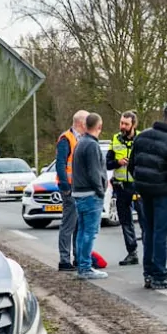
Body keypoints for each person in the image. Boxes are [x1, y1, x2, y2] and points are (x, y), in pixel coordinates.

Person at [129, 101, 167, 290]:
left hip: (145, 193)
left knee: (149, 232)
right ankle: (160, 274)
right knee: (161, 235)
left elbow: (132, 166)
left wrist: (142, 183)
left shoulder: (142, 137)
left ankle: (148, 273)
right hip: (165, 195)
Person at [70, 113, 109, 280]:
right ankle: (85, 267)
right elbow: (95, 172)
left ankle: (81, 263)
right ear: (99, 127)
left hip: (79, 193)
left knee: (82, 231)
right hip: (90, 195)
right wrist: (101, 190)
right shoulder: (92, 146)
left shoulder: (80, 143)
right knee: (89, 232)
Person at [53, 109, 88, 271]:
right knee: (68, 224)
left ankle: (77, 257)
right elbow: (60, 163)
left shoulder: (80, 138)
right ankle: (64, 260)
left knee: (78, 225)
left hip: (79, 187)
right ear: (81, 123)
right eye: (87, 122)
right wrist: (65, 187)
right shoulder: (66, 139)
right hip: (70, 188)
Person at [106, 111, 141, 266]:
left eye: (126, 124)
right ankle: (132, 252)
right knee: (125, 221)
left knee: (145, 220)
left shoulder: (141, 139)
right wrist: (117, 162)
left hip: (137, 186)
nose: (123, 127)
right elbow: (107, 163)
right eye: (121, 123)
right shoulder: (115, 139)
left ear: (133, 125)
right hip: (120, 186)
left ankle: (150, 253)